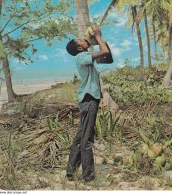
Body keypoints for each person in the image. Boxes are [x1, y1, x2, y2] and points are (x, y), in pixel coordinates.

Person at [65, 26, 113, 182]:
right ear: (79, 48)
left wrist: (99, 40)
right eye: (80, 40)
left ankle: (70, 173)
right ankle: (88, 177)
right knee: (87, 139)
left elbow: (108, 57)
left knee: (80, 137)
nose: (83, 38)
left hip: (88, 99)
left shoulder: (87, 56)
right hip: (89, 99)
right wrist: (97, 36)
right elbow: (104, 52)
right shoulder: (82, 57)